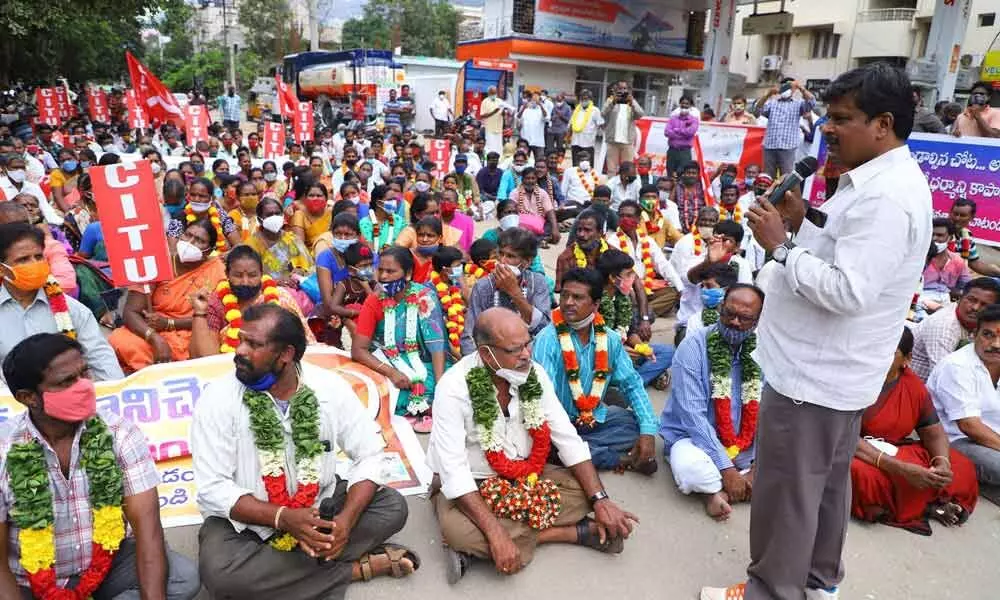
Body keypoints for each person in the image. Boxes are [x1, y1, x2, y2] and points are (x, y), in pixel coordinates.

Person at [702, 64, 932, 600]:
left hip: (813, 378)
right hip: (835, 376)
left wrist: (781, 244)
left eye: (841, 119)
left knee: (787, 496)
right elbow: (847, 252)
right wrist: (804, 221)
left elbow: (848, 291)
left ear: (883, 123)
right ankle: (817, 583)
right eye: (827, 116)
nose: (827, 128)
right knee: (824, 489)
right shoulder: (878, 179)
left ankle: (771, 592)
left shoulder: (886, 196)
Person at [191, 304, 418, 599]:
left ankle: (290, 571)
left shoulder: (328, 388)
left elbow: (369, 454)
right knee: (221, 575)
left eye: (254, 344)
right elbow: (213, 488)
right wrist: (283, 517)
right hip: (244, 522)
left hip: (319, 504)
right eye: (241, 339)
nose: (240, 351)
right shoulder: (217, 399)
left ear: (286, 354)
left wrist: (345, 522)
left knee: (392, 507)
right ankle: (351, 570)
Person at [427, 307, 639, 582]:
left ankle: (494, 547)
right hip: (474, 481)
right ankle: (568, 533)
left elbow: (567, 438)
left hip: (527, 474)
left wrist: (601, 500)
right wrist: (495, 533)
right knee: (459, 531)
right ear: (485, 354)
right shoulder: (453, 388)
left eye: (528, 343)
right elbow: (454, 472)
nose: (526, 354)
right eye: (515, 349)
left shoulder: (533, 373)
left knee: (584, 491)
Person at [0, 333, 201, 599]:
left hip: (105, 568)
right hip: (27, 581)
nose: (84, 386)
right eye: (67, 381)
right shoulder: (5, 451)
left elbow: (148, 533)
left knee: (181, 579)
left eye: (85, 373)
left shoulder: (119, 433)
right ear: (28, 397)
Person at [851, 327, 978, 534]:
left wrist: (941, 463)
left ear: (907, 359)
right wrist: (898, 468)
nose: (878, 358)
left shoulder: (913, 386)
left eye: (889, 353)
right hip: (855, 451)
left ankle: (918, 503)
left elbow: (933, 431)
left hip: (895, 448)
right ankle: (926, 506)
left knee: (961, 466)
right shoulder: (853, 379)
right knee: (860, 475)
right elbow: (843, 436)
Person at [533, 268, 658, 474]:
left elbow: (632, 384)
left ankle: (578, 452)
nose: (568, 302)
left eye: (577, 297)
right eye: (564, 295)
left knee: (638, 423)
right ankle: (615, 458)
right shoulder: (547, 340)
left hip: (592, 419)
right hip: (557, 424)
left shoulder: (609, 339)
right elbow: (544, 401)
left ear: (596, 304)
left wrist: (647, 433)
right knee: (544, 440)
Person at [660, 285, 765, 522]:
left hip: (747, 447)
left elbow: (769, 413)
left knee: (794, 460)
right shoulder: (693, 347)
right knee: (692, 470)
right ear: (720, 308)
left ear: (758, 321)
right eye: (729, 313)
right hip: (694, 441)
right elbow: (693, 418)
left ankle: (723, 491)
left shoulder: (764, 352)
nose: (735, 322)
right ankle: (730, 484)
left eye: (745, 318)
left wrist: (758, 467)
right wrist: (727, 468)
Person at [0, 222, 121, 380]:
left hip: (69, 395)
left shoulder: (72, 309)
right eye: (23, 260)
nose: (34, 264)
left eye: (38, 257)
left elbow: (100, 357)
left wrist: (115, 393)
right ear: (2, 269)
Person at [109, 219, 227, 372]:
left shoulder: (218, 270)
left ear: (209, 250)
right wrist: (154, 338)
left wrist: (170, 323)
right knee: (120, 339)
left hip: (194, 330)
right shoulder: (157, 263)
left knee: (209, 346)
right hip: (153, 329)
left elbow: (216, 318)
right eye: (188, 235)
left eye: (200, 241)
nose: (190, 243)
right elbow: (130, 312)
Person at [351, 246, 446, 432]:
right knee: (373, 393)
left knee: (438, 385)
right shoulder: (374, 300)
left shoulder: (424, 296)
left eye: (390, 271)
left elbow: (436, 345)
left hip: (423, 361)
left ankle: (425, 407)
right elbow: (358, 349)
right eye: (381, 271)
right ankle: (415, 411)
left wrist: (442, 388)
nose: (383, 277)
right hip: (386, 362)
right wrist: (391, 373)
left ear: (408, 273)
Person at [928, 303, 1000, 503]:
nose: (996, 344)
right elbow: (970, 426)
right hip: (955, 441)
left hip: (992, 439)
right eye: (988, 335)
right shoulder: (957, 366)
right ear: (974, 334)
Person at [188, 245, 314, 357]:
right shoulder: (217, 302)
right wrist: (199, 312)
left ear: (261, 274)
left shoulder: (281, 297)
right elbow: (206, 357)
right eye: (238, 275)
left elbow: (305, 345)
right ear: (227, 274)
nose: (245, 282)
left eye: (252, 275)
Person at [462, 228, 551, 355]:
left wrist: (515, 292)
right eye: (501, 254)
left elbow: (543, 328)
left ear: (527, 262)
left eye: (510, 256)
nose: (502, 261)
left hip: (528, 355)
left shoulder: (538, 282)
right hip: (491, 358)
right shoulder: (483, 286)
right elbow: (469, 336)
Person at [911, 277, 1000, 380]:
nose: (975, 308)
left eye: (984, 305)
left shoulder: (979, 324)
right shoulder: (944, 327)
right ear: (960, 298)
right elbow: (945, 377)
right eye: (971, 300)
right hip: (925, 389)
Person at [609, 200, 683, 317]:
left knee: (673, 293)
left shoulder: (647, 240)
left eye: (629, 216)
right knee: (626, 297)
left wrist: (680, 288)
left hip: (646, 286)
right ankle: (645, 312)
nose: (625, 219)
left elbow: (663, 265)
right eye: (621, 216)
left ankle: (643, 312)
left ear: (638, 219)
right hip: (626, 289)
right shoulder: (613, 241)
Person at [246, 197, 316, 315]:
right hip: (269, 292)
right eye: (269, 215)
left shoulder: (292, 238)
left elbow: (309, 266)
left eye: (277, 213)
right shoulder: (251, 245)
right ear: (260, 219)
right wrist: (276, 282)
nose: (274, 217)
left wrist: (299, 273)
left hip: (298, 288)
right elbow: (249, 278)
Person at [758, 78, 817, 177]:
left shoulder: (798, 104)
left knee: (786, 178)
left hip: (788, 147)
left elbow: (812, 102)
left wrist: (800, 88)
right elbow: (757, 109)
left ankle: (785, 193)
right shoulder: (772, 103)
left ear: (793, 89)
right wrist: (768, 94)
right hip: (769, 146)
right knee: (767, 177)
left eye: (789, 86)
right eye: (784, 86)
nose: (786, 89)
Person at [916, 218, 972, 321]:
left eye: (940, 235)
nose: (934, 238)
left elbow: (967, 287)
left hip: (945, 302)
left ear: (950, 237)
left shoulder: (957, 261)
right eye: (932, 234)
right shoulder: (919, 257)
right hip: (919, 301)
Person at [165, 178, 242, 251]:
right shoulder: (179, 218)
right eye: (193, 195)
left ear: (212, 198)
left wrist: (226, 255)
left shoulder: (221, 216)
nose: (196, 199)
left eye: (202, 196)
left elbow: (239, 246)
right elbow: (173, 252)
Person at [556, 209, 609, 292]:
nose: (581, 234)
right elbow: (562, 291)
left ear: (600, 233)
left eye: (587, 230)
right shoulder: (565, 258)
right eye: (579, 229)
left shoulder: (611, 252)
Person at [684, 262, 741, 338]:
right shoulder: (696, 320)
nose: (704, 290)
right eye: (702, 286)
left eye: (709, 286)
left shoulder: (741, 321)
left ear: (727, 290)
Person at [948, 197, 1000, 277]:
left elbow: (975, 264)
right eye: (955, 214)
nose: (957, 218)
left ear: (972, 218)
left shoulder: (967, 236)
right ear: (950, 213)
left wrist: (997, 273)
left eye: (962, 215)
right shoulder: (939, 230)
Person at [602, 80, 645, 175]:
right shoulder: (610, 100)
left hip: (627, 141)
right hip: (612, 140)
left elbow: (640, 114)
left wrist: (632, 102)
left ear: (628, 90)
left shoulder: (631, 101)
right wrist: (613, 102)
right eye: (620, 88)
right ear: (616, 89)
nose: (622, 91)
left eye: (625, 88)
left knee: (627, 168)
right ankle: (611, 188)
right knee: (611, 169)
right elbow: (603, 113)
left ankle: (627, 188)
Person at [291, 181, 333, 253]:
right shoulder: (299, 215)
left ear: (326, 198)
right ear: (305, 199)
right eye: (311, 195)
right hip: (309, 257)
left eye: (319, 196)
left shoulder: (332, 212)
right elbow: (300, 246)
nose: (315, 198)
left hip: (332, 253)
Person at [637, 183, 682, 248]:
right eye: (647, 197)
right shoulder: (635, 219)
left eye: (654, 197)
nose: (651, 200)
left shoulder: (663, 221)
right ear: (640, 200)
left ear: (658, 200)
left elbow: (679, 239)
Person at [360, 184, 403, 250]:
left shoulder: (399, 220)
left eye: (395, 199)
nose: (394, 202)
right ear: (379, 203)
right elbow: (369, 248)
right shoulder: (365, 223)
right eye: (390, 200)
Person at [665, 96, 699, 177]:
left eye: (687, 103)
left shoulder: (694, 120)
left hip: (685, 152)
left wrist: (676, 130)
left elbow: (690, 132)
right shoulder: (673, 118)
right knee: (670, 174)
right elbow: (667, 132)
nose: (684, 105)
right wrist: (683, 133)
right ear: (680, 104)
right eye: (683, 103)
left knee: (683, 175)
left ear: (691, 106)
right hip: (672, 151)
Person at [569, 89, 604, 167]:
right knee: (575, 166)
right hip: (575, 142)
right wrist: (568, 138)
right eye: (582, 98)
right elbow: (571, 124)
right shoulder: (576, 110)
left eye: (586, 98)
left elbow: (601, 124)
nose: (584, 100)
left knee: (588, 167)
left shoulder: (595, 110)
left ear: (590, 99)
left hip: (588, 143)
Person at [672, 161, 706, 233]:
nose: (691, 175)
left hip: (699, 225)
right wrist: (674, 185)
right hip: (680, 225)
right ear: (684, 174)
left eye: (694, 173)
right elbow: (670, 203)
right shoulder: (678, 186)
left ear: (698, 174)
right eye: (688, 172)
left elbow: (710, 180)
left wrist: (718, 171)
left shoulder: (702, 186)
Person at [479, 86, 509, 155]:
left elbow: (503, 114)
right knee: (490, 148)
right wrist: (494, 112)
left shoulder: (500, 101)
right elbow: (482, 115)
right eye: (492, 93)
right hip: (489, 129)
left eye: (495, 93)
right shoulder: (485, 102)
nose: (494, 94)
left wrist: (504, 113)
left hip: (498, 129)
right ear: (489, 93)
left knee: (499, 148)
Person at [517, 93, 547, 162]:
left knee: (540, 160)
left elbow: (546, 117)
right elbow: (518, 117)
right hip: (525, 141)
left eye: (536, 100)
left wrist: (541, 106)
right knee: (524, 160)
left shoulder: (541, 109)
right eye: (533, 100)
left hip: (538, 142)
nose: (534, 102)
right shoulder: (525, 109)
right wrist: (524, 108)